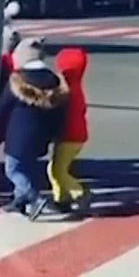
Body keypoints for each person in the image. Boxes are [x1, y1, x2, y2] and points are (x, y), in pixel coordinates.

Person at [0, 37, 69, 221]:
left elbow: (3, 108)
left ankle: (35, 198)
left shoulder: (17, 80)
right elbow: (61, 110)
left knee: (12, 169)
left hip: (18, 135)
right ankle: (19, 200)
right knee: (28, 167)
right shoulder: (54, 80)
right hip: (42, 135)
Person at [47, 48, 92, 213]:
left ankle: (79, 193)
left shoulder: (66, 90)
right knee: (56, 168)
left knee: (57, 170)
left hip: (69, 136)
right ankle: (61, 198)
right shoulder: (76, 86)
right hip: (77, 135)